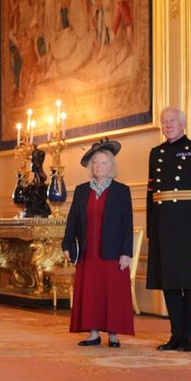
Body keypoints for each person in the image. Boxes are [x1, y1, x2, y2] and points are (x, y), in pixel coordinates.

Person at [147, 107, 191, 352]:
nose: (168, 125)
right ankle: (175, 336)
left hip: (190, 226)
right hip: (164, 226)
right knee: (169, 282)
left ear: (182, 123)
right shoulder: (155, 154)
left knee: (189, 283)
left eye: (172, 121)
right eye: (164, 122)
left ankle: (190, 337)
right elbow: (151, 196)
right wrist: (151, 230)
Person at [61, 140, 134, 348]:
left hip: (113, 252)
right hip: (88, 252)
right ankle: (93, 333)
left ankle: (113, 334)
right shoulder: (82, 190)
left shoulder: (121, 191)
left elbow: (127, 224)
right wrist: (67, 244)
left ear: (111, 166)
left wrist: (126, 252)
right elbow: (73, 220)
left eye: (102, 163)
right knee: (91, 292)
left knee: (113, 293)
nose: (98, 167)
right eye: (95, 163)